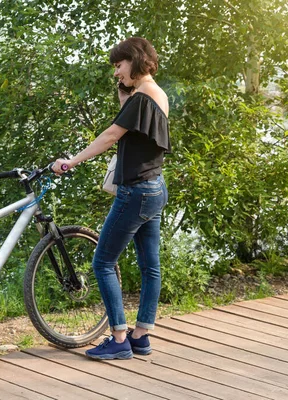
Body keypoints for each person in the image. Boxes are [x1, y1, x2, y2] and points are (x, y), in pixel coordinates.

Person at [52, 37, 170, 360]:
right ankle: (141, 336)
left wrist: (71, 161)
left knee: (102, 262)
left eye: (119, 66)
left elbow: (111, 136)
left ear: (133, 60)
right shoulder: (158, 95)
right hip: (155, 188)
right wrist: (123, 100)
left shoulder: (143, 95)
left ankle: (119, 338)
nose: (116, 73)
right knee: (151, 268)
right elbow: (137, 139)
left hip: (135, 192)